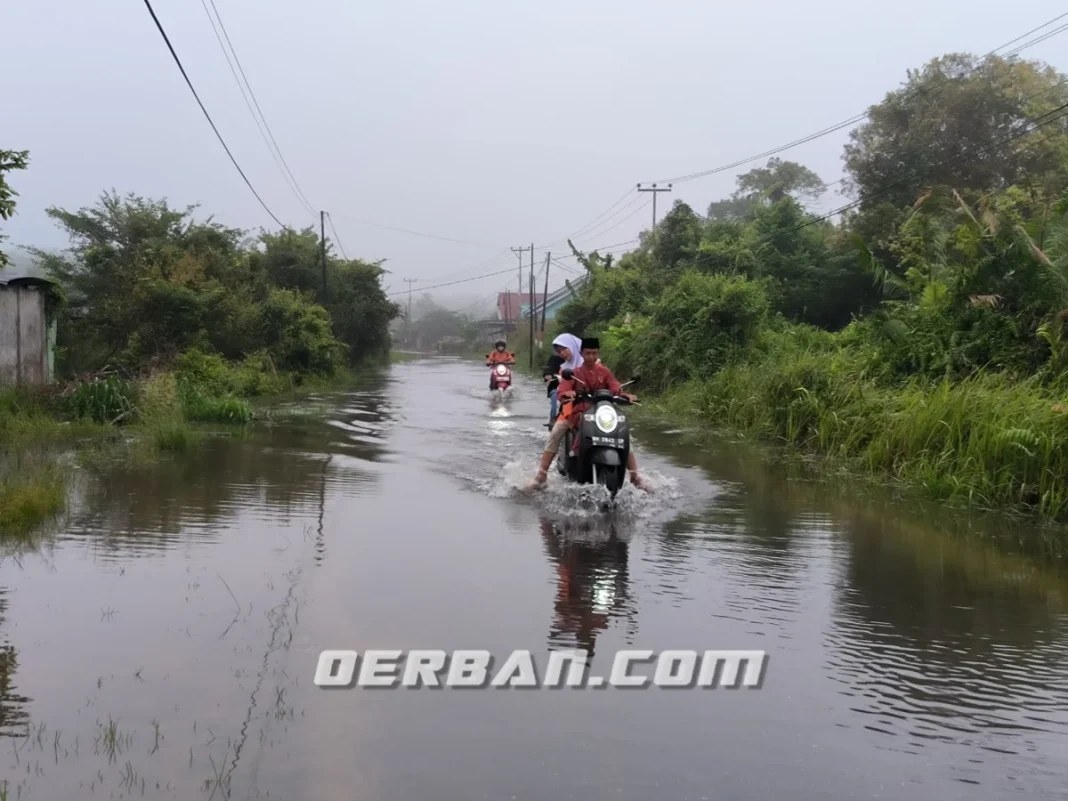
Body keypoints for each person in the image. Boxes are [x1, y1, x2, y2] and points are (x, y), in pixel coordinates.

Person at [528, 337, 646, 490]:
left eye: (594, 353)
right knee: (556, 432)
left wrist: (625, 395)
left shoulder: (604, 371)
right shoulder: (574, 373)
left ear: (598, 353)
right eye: (588, 353)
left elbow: (615, 386)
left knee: (623, 434)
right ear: (581, 353)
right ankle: (541, 475)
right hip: (578, 413)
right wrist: (567, 393)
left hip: (602, 413)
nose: (591, 357)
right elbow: (563, 390)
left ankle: (635, 476)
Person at [542, 333, 582, 424]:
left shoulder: (588, 363)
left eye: (564, 349)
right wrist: (548, 375)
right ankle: (553, 422)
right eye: (559, 351)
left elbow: (607, 380)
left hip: (587, 400)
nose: (562, 353)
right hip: (566, 396)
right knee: (559, 425)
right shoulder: (562, 367)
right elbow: (563, 388)